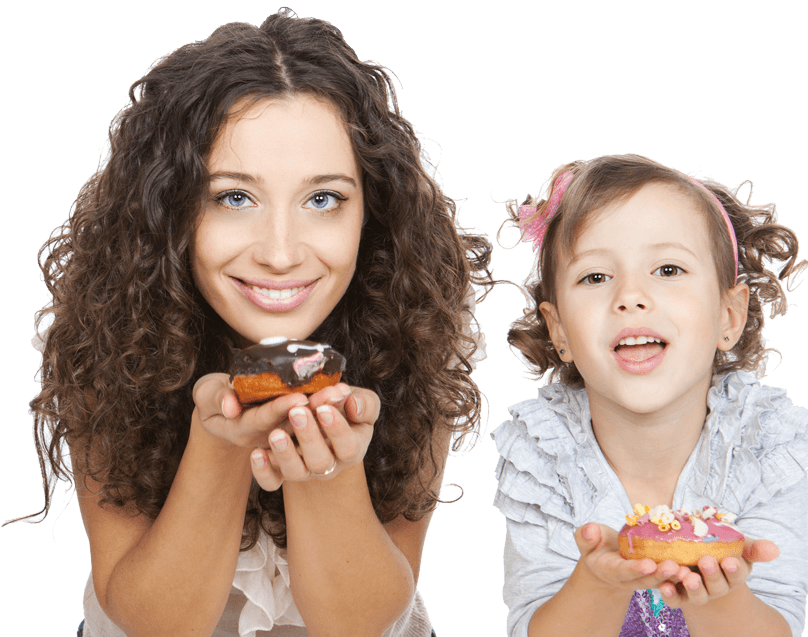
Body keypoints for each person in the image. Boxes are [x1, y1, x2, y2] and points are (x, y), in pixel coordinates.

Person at [11, 9, 493, 637]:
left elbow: (364, 625)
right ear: (170, 210)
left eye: (324, 199)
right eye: (234, 197)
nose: (281, 252)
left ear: (371, 213)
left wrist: (330, 475)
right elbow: (153, 624)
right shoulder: (109, 338)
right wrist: (221, 445)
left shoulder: (414, 333)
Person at [490, 154, 808, 637]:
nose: (631, 296)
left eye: (668, 269)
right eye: (595, 277)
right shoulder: (545, 456)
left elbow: (780, 626)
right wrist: (597, 584)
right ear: (559, 330)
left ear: (729, 315)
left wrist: (720, 599)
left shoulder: (758, 443)